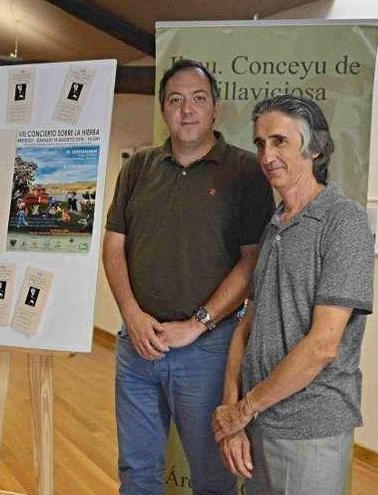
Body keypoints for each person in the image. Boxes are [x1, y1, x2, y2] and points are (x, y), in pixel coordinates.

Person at [103, 58, 274, 495]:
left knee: (212, 477)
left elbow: (251, 261)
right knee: (136, 473)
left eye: (198, 99)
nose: (187, 110)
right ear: (163, 109)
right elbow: (114, 246)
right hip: (138, 345)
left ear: (215, 108)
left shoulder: (246, 173)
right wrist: (132, 315)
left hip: (209, 350)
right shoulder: (138, 168)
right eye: (176, 100)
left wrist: (196, 324)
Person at [212, 95, 374, 495]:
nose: (267, 155)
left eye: (280, 141)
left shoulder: (343, 221)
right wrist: (233, 413)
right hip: (259, 421)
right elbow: (246, 327)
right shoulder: (274, 225)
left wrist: (243, 409)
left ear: (315, 147)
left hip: (310, 427)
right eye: (261, 143)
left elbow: (322, 345)